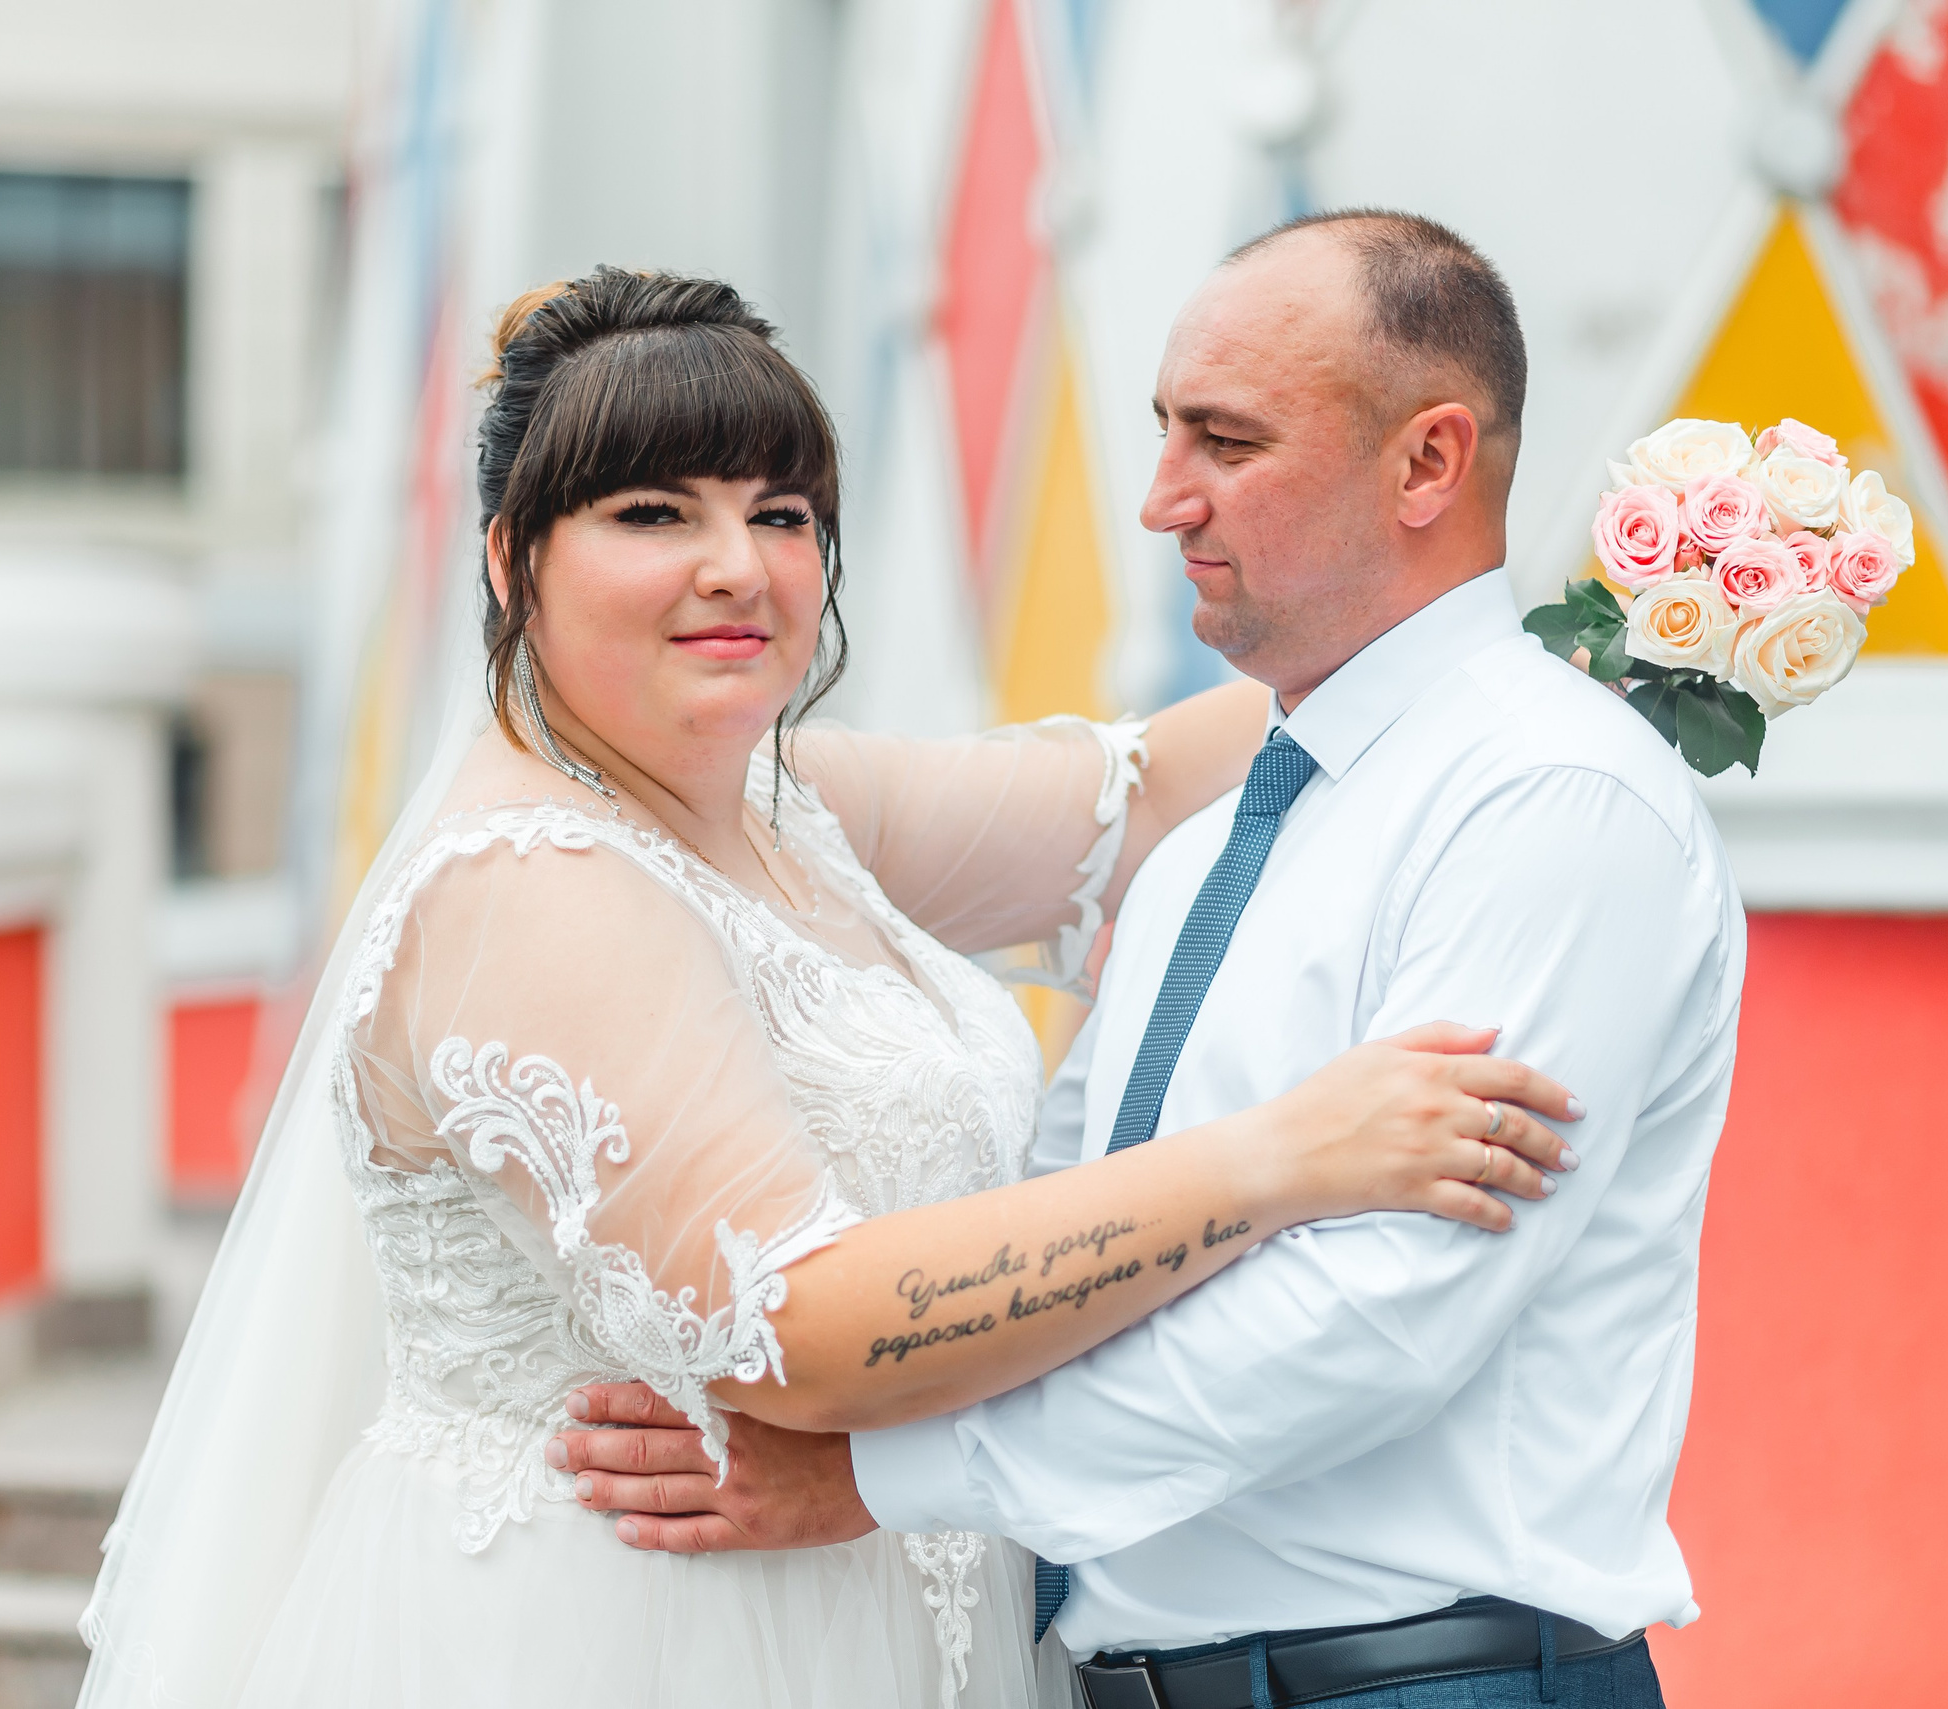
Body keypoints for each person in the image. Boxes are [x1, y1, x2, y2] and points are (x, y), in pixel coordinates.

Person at [75, 265, 1578, 1709]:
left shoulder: (785, 811)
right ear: (509, 558)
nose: (739, 565)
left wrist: (1607, 615)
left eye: (781, 514)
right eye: (654, 512)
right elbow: (803, 1325)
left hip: (870, 1607)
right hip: (627, 1630)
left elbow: (1141, 790)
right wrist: (1276, 1161)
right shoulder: (532, 886)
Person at [556, 215, 1746, 1709]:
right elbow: (1075, 1231)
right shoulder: (1205, 853)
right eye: (1164, 430)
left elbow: (1381, 1317)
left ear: (1428, 464)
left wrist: (875, 1477)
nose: (1161, 499)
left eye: (1226, 441)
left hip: (1421, 1679)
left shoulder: (1549, 800)